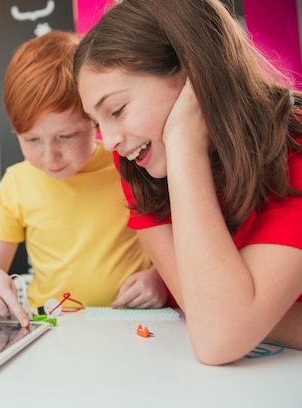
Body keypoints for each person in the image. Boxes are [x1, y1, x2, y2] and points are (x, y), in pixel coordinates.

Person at [73, 0, 302, 365]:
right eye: (97, 122)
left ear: (192, 76)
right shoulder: (138, 160)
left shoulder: (295, 150)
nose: (110, 140)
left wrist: (185, 141)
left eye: (116, 110)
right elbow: (211, 317)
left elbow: (218, 335)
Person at [0, 30, 168, 328]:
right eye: (32, 140)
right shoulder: (16, 182)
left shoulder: (130, 164)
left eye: (66, 136)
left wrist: (159, 277)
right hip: (51, 326)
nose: (51, 157)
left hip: (130, 323)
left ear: (94, 120)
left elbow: (175, 245)